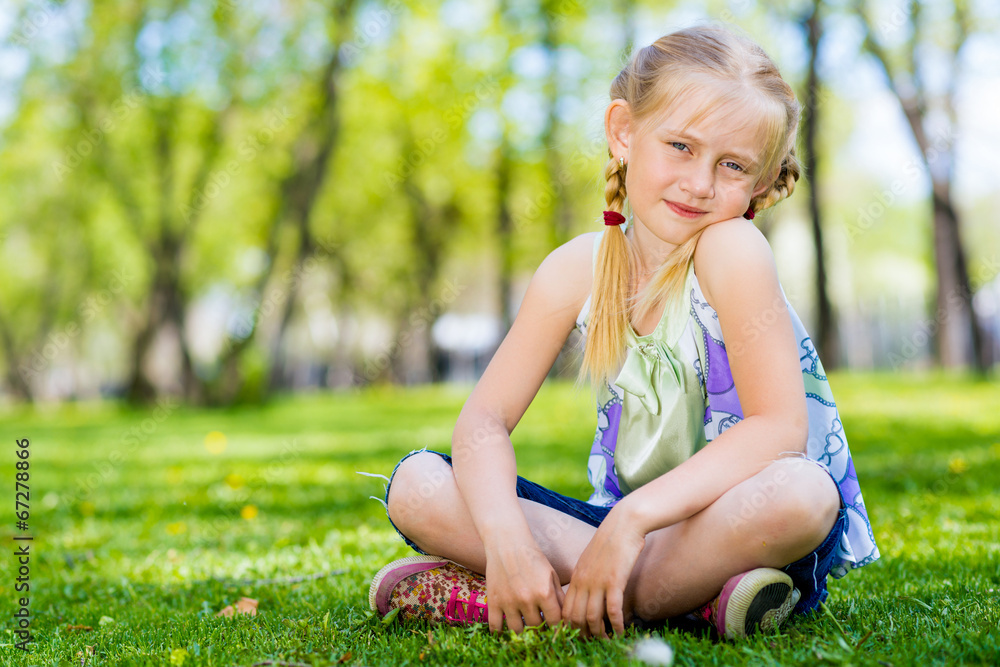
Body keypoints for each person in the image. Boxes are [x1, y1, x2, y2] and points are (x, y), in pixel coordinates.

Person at [365, 24, 879, 640]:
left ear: (762, 184)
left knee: (802, 494)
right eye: (681, 147)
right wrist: (506, 543)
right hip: (611, 531)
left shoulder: (732, 249)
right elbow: (483, 424)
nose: (700, 183)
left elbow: (778, 432)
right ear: (624, 131)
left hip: (734, 523)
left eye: (733, 165)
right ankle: (684, 603)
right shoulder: (575, 269)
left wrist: (631, 521)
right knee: (418, 484)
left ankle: (540, 602)